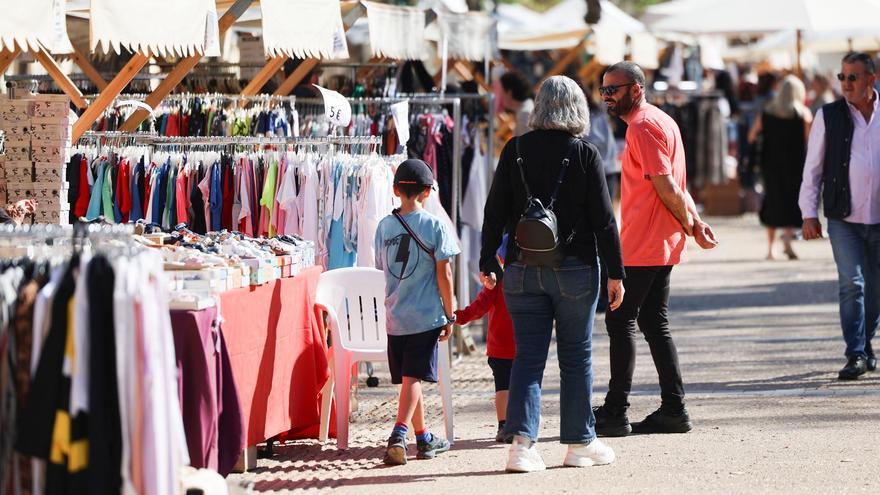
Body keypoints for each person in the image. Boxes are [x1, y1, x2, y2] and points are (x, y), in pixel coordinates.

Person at [481, 75, 625, 472]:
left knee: (527, 356)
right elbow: (604, 221)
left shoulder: (515, 150)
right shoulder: (585, 154)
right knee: (576, 356)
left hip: (522, 268)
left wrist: (487, 261)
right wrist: (616, 273)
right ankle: (580, 443)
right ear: (577, 108)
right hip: (576, 268)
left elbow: (494, 213)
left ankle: (522, 447)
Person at [593, 62, 718, 437]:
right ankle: (673, 408)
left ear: (635, 88)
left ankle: (616, 412)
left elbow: (667, 186)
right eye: (603, 91)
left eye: (612, 89)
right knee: (651, 322)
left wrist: (692, 225)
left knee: (620, 320)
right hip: (658, 240)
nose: (606, 97)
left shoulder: (644, 126)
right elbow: (678, 184)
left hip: (644, 242)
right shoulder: (659, 120)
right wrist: (692, 223)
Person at [799, 52, 880, 380]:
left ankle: (865, 342)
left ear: (871, 80)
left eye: (853, 77)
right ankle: (855, 353)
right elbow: (813, 167)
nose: (845, 83)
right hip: (843, 217)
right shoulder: (828, 115)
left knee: (875, 288)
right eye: (842, 76)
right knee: (852, 284)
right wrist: (808, 213)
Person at [374, 158, 460, 465]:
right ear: (426, 192)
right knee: (413, 378)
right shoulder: (436, 225)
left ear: (396, 190)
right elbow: (445, 275)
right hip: (425, 316)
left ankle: (423, 437)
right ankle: (398, 436)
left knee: (412, 377)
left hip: (395, 316)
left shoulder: (384, 226)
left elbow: (381, 267)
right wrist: (451, 315)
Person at [454, 237, 515, 444]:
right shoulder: (531, 282)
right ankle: (521, 422)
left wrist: (459, 316)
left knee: (502, 388)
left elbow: (479, 308)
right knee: (523, 386)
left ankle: (504, 425)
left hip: (499, 346)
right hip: (526, 346)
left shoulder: (495, 282)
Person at [747, 75, 813, 260]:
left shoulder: (767, 112)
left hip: (771, 165)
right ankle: (787, 242)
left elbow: (751, 136)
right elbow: (811, 141)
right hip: (794, 165)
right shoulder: (804, 114)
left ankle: (770, 249)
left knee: (773, 202)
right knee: (791, 202)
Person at [499, 71, 535, 137]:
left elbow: (530, 145)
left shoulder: (524, 114)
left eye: (501, 92)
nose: (500, 96)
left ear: (509, 93)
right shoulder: (526, 107)